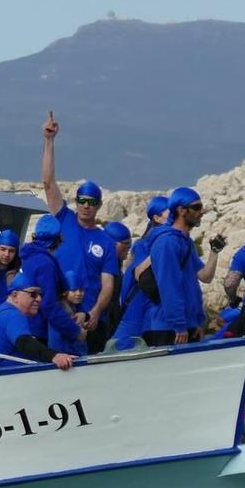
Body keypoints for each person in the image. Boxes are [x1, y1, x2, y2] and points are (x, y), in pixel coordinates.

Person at [39, 112, 119, 350]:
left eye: (91, 202)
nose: (86, 205)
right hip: (59, 314)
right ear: (76, 201)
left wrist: (95, 312)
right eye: (82, 200)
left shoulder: (105, 241)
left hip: (91, 321)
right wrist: (49, 141)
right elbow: (48, 183)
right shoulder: (63, 219)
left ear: (99, 205)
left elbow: (108, 285)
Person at [145, 187, 208, 346]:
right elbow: (169, 285)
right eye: (196, 207)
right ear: (181, 210)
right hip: (170, 329)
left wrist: (197, 321)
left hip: (187, 326)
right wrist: (179, 324)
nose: (202, 211)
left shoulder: (186, 241)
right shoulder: (167, 242)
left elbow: (195, 283)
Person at [109, 196, 171, 351]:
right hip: (137, 311)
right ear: (157, 218)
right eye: (171, 216)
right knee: (117, 349)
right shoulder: (144, 245)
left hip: (150, 315)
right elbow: (139, 273)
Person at [17, 216, 84, 355]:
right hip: (40, 330)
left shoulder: (28, 257)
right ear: (57, 239)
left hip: (25, 325)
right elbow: (49, 305)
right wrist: (75, 331)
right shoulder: (46, 264)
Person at [0, 281, 76, 370]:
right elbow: (24, 341)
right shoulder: (12, 314)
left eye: (40, 294)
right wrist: (54, 356)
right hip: (5, 379)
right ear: (15, 295)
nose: (39, 299)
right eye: (33, 294)